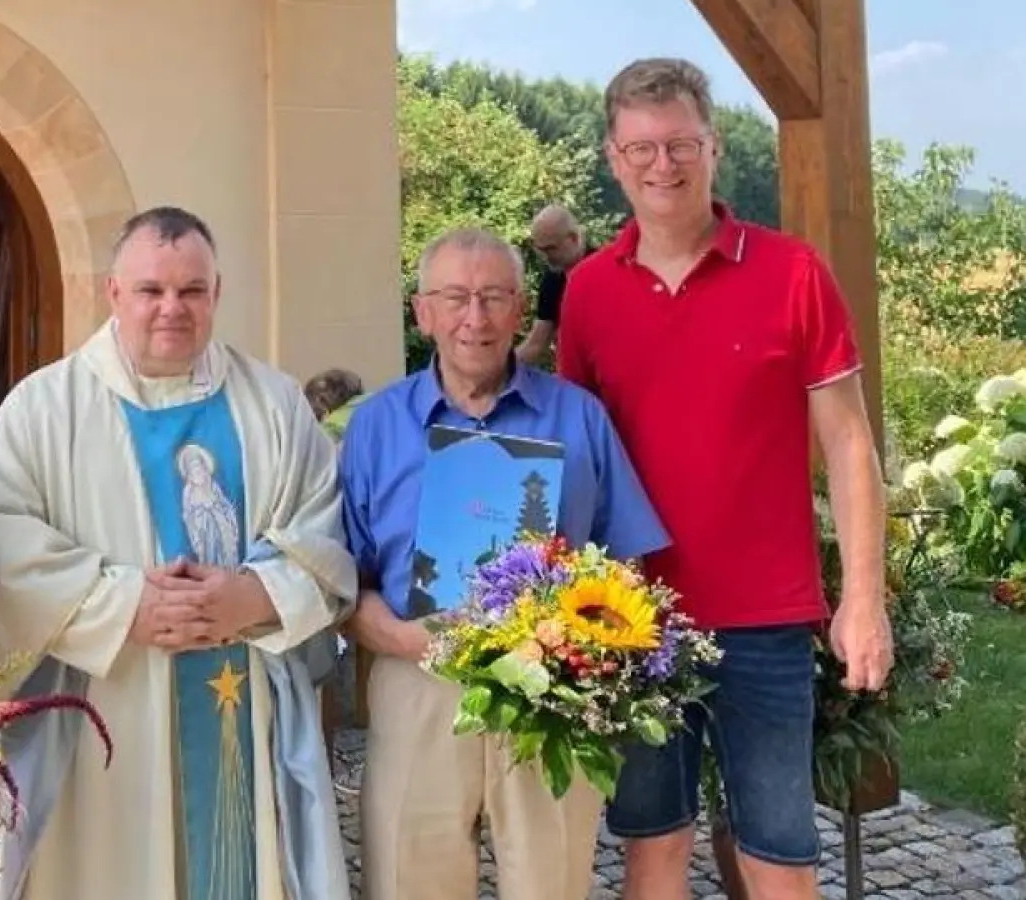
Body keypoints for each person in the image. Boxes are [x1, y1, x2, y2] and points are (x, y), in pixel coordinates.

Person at [556, 57, 892, 900]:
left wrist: (863, 599)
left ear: (714, 147)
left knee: (780, 854)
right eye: (641, 149)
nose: (661, 166)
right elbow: (575, 459)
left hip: (766, 617)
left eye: (680, 144)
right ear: (612, 157)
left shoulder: (792, 273)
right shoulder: (590, 291)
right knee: (651, 847)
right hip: (633, 620)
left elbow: (850, 445)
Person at [0, 205, 355, 900]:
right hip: (104, 718)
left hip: (242, 703)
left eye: (192, 291)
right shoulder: (42, 411)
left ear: (216, 295)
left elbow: (325, 531)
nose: (172, 308)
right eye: (151, 290)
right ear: (114, 293)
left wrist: (255, 597)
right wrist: (124, 604)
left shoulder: (275, 405)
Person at [340, 226, 669, 900]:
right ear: (422, 310)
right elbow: (344, 581)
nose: (475, 317)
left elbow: (628, 566)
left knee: (550, 882)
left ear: (522, 310)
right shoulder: (375, 426)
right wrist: (402, 640)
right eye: (455, 297)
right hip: (417, 679)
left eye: (494, 297)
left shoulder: (580, 419)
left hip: (550, 694)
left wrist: (582, 651)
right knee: (410, 880)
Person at [515, 204, 593, 367]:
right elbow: (536, 344)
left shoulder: (609, 270)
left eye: (551, 248)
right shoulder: (553, 281)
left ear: (573, 238)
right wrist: (494, 372)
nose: (546, 257)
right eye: (540, 250)